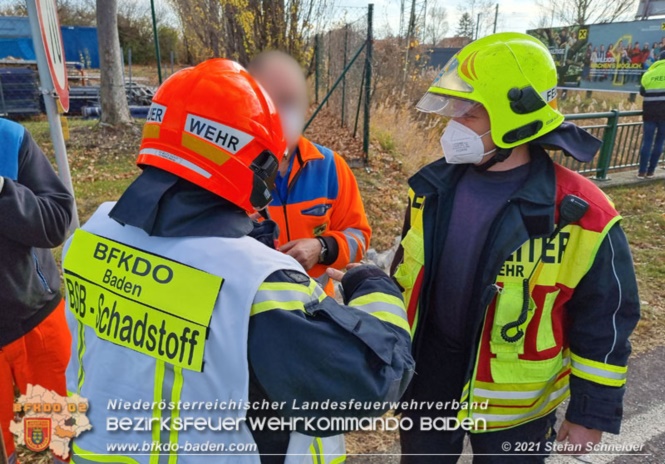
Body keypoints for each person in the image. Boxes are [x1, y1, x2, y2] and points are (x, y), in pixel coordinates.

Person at [63, 59, 414, 464]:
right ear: (254, 163)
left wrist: (322, 247)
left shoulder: (92, 234)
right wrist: (373, 284)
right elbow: (372, 381)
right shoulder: (254, 280)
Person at [390, 32, 640, 463]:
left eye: (470, 111)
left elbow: (605, 318)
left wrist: (589, 414)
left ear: (514, 117)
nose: (453, 123)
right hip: (428, 379)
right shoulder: (432, 188)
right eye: (456, 109)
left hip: (516, 407)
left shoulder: (582, 212)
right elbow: (406, 275)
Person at [247, 51, 371, 296]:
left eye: (288, 101)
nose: (279, 111)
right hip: (252, 309)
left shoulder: (330, 168)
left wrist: (322, 247)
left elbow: (359, 236)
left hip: (316, 309)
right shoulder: (230, 168)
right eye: (269, 100)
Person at [0, 118, 74, 464]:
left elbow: (58, 221)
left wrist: (3, 190)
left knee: (54, 446)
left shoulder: (8, 138)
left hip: (35, 324)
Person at [637, 59, 665, 178]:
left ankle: (641, 171)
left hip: (649, 112)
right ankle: (651, 171)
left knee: (647, 141)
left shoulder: (648, 74)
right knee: (660, 142)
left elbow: (642, 92)